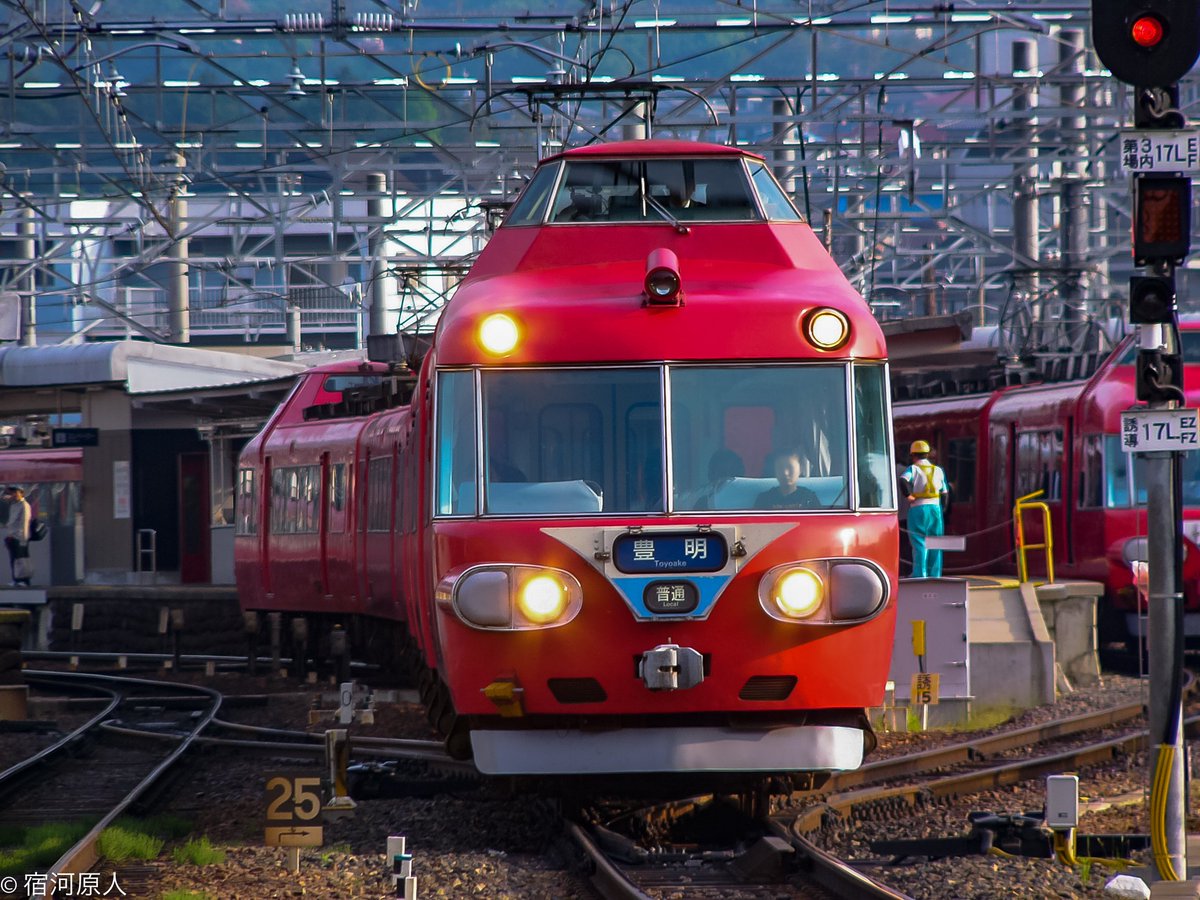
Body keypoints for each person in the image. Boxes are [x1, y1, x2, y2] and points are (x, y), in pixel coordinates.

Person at [900, 440, 949, 578]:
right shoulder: (938, 470)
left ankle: (920, 573)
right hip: (935, 508)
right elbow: (945, 492)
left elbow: (903, 480)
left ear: (913, 455)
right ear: (927, 454)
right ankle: (935, 574)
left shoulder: (913, 469)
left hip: (918, 508)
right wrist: (943, 509)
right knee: (935, 541)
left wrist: (908, 495)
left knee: (919, 541)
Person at [755, 449, 820, 510]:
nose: (785, 473)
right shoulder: (764, 499)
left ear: (801, 469)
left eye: (790, 467)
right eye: (780, 468)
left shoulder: (809, 498)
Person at [3, 486, 31, 587]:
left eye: (16, 492)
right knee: (14, 559)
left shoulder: (24, 505)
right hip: (12, 536)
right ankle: (15, 579)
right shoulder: (13, 505)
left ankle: (24, 580)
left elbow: (24, 523)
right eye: (12, 493)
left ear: (21, 493)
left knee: (22, 559)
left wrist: (22, 539)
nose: (13, 495)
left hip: (20, 537)